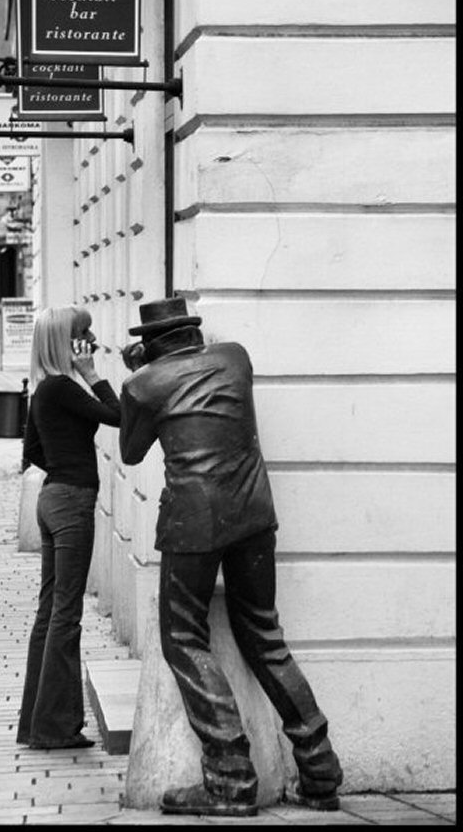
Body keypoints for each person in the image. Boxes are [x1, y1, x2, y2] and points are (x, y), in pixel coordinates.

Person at [119, 297, 343, 819]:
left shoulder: (143, 384)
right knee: (264, 636)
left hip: (192, 521)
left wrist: (139, 376)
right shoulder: (236, 358)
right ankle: (320, 770)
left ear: (151, 344)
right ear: (192, 333)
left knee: (182, 638)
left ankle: (231, 778)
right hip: (253, 513)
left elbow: (131, 451)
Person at [16, 306, 121, 750]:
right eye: (84, 334)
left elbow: (31, 451)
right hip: (73, 502)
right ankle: (56, 727)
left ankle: (37, 724)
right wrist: (93, 373)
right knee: (66, 615)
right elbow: (118, 415)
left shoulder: (44, 391)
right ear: (66, 341)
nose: (92, 340)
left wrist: (63, 461)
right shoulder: (64, 388)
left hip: (51, 499)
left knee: (49, 613)